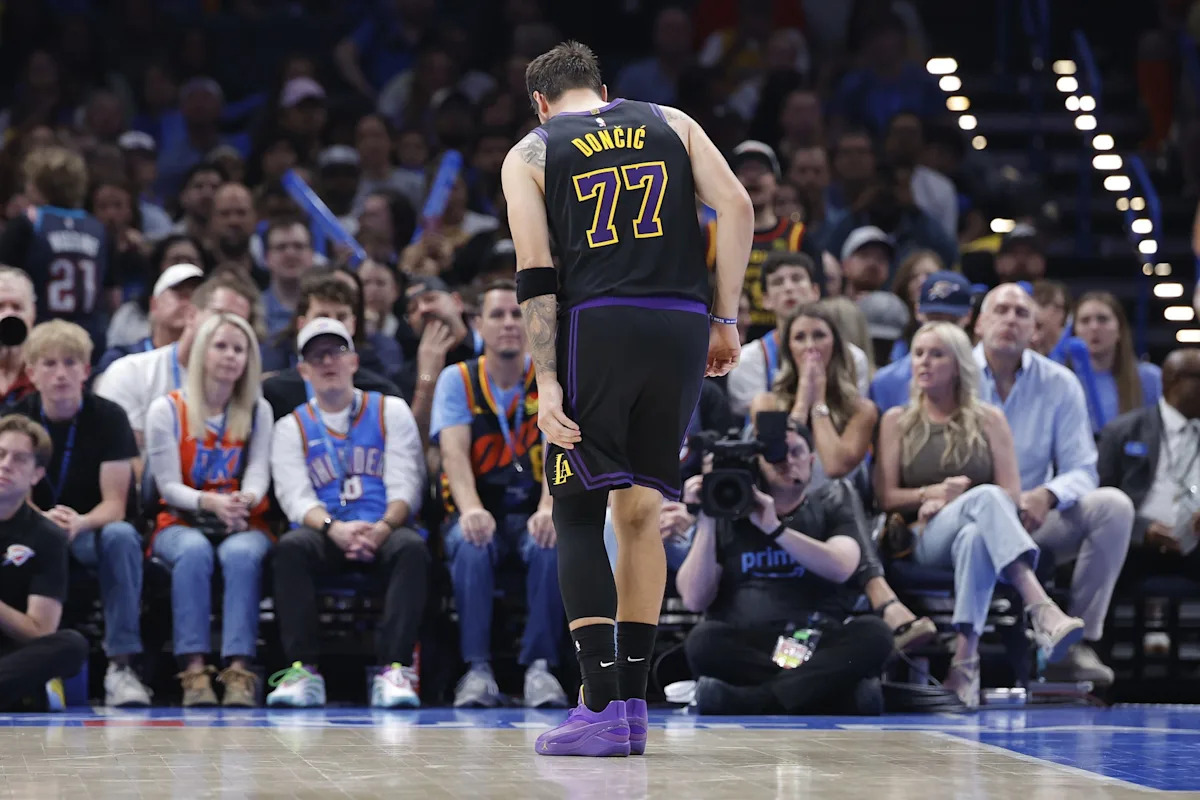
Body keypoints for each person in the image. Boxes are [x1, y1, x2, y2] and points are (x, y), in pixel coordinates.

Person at [502, 41, 752, 757]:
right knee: (641, 514)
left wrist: (548, 380)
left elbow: (536, 271)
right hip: (679, 323)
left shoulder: (532, 151)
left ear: (541, 103)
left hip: (599, 324)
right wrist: (725, 317)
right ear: (604, 89)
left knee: (578, 512)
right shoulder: (672, 122)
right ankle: (634, 708)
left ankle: (599, 703)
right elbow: (737, 207)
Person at [875, 322, 1084, 707]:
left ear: (958, 365)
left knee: (975, 534)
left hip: (976, 532)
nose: (924, 362)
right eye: (918, 353)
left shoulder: (989, 418)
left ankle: (965, 663)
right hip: (923, 535)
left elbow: (1011, 494)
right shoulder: (896, 420)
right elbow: (885, 496)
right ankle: (1041, 608)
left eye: (936, 354)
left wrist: (960, 503)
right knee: (985, 498)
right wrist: (930, 495)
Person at [676, 421, 894, 714]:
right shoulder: (730, 510)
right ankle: (831, 697)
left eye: (796, 452)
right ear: (758, 463)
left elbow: (842, 566)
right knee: (702, 641)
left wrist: (775, 529)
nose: (786, 461)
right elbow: (694, 599)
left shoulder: (830, 503)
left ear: (812, 461)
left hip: (817, 641)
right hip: (752, 644)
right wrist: (707, 516)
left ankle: (754, 700)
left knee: (876, 634)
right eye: (776, 454)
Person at [974, 284, 1133, 685]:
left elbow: (1083, 468)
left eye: (1022, 313)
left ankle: (1075, 643)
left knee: (1113, 506)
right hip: (970, 518)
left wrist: (1048, 494)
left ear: (1037, 331)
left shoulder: (1060, 383)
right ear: (978, 323)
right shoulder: (954, 374)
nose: (1010, 319)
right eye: (1001, 310)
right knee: (988, 503)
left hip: (1033, 518)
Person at [266, 319, 428, 709]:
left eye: (336, 352)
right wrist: (333, 528)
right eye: (316, 356)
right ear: (303, 370)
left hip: (383, 528)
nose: (327, 362)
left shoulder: (390, 410)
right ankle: (303, 670)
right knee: (290, 548)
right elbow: (294, 497)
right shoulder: (290, 426)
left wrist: (383, 527)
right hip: (325, 532)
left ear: (354, 361)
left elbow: (407, 483)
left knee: (412, 549)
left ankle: (394, 669)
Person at [432, 281, 568, 709]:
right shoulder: (458, 379)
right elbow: (453, 454)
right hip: (481, 508)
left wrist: (548, 507)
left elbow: (557, 445)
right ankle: (477, 670)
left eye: (517, 314)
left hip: (531, 508)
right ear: (477, 325)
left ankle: (540, 669)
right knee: (471, 544)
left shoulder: (549, 378)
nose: (509, 323)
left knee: (551, 542)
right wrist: (471, 509)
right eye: (497, 315)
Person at [13, 321, 150, 707]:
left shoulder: (109, 417)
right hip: (35, 528)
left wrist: (79, 522)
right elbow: (13, 494)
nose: (61, 373)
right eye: (49, 363)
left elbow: (115, 505)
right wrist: (45, 524)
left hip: (91, 529)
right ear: (31, 373)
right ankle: (26, 663)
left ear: (86, 370)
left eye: (70, 363)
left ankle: (121, 667)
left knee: (122, 536)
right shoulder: (18, 419)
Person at [145, 313, 273, 707]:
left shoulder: (258, 410)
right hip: (181, 519)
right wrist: (209, 501)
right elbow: (167, 486)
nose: (231, 355)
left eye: (239, 349)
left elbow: (258, 473)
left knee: (242, 554)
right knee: (194, 551)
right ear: (202, 352)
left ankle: (239, 671)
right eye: (221, 346)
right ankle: (194, 671)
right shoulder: (167, 409)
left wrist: (243, 500)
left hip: (240, 520)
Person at [95, 270, 260, 449]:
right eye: (220, 315)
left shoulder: (243, 384)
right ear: (191, 315)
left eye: (238, 322)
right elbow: (123, 456)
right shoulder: (129, 372)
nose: (227, 328)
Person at [0, 414, 89, 710]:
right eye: (0, 454)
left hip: (11, 655)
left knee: (71, 645)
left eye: (19, 459)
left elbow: (39, 631)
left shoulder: (47, 536)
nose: (6, 464)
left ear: (36, 475)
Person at [726, 252, 870, 418]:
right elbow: (757, 425)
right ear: (766, 300)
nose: (788, 288)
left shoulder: (853, 358)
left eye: (797, 279)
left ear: (815, 291)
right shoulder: (749, 359)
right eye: (778, 282)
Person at [0, 146, 117, 348]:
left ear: (37, 185)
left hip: (37, 336)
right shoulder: (99, 229)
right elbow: (113, 297)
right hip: (89, 338)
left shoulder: (29, 222)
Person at [1099, 349, 1200, 575]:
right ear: (1174, 381)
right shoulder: (1123, 431)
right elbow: (1099, 499)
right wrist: (1142, 530)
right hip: (1134, 548)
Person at [870, 271, 977, 414]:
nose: (941, 331)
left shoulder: (987, 373)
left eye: (951, 321)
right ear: (917, 312)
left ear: (969, 316)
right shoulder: (886, 381)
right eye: (934, 319)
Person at [1070, 291, 1162, 435]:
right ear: (1074, 331)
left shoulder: (1149, 378)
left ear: (1119, 330)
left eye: (1102, 319)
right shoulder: (1064, 380)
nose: (1094, 327)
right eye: (1085, 321)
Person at [96, 263, 205, 375]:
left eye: (196, 297)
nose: (188, 303)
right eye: (181, 294)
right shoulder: (120, 359)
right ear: (154, 304)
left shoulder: (208, 363)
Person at [0, 268, 40, 406]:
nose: (9, 315)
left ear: (32, 313)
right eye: (0, 307)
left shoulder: (49, 370)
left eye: (17, 307)